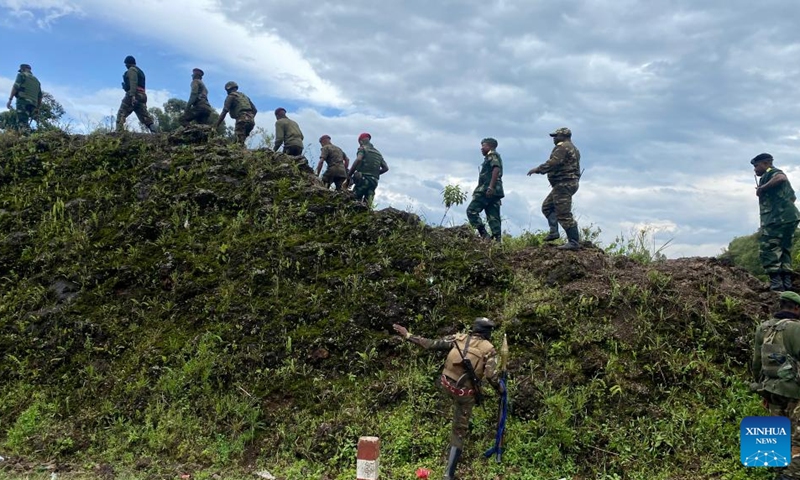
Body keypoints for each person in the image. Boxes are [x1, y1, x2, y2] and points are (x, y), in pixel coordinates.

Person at [392, 318, 501, 480]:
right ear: (487, 333)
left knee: (456, 403)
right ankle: (448, 474)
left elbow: (430, 344)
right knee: (459, 430)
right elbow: (491, 376)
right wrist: (501, 390)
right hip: (464, 395)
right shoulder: (489, 350)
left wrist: (408, 335)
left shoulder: (458, 338)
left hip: (445, 385)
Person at [752, 291, 800, 480]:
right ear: (796, 308)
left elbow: (757, 364)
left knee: (777, 437)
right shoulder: (796, 329)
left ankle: (778, 473)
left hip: (771, 390)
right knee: (797, 441)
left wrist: (762, 391)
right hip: (795, 393)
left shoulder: (763, 328)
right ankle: (789, 476)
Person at [527, 127, 582, 249]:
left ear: (564, 136)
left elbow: (553, 163)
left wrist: (538, 169)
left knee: (563, 213)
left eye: (556, 136)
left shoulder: (562, 147)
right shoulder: (573, 148)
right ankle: (554, 232)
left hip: (564, 184)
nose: (554, 138)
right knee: (547, 207)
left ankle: (574, 242)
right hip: (565, 184)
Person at [752, 153, 800, 292]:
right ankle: (787, 283)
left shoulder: (771, 172)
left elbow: (781, 177)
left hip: (776, 220)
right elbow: (792, 198)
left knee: (769, 248)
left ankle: (776, 284)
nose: (755, 170)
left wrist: (762, 188)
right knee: (784, 249)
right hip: (789, 218)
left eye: (756, 166)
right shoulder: (770, 176)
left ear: (766, 163)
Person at [467, 137, 504, 241]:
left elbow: (496, 169)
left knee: (471, 211)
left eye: (483, 145)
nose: (481, 148)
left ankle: (484, 235)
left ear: (490, 146)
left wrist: (490, 187)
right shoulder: (494, 156)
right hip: (495, 191)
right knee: (493, 216)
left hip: (486, 190)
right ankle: (497, 241)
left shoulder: (492, 155)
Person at [116, 56, 157, 133]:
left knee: (121, 114)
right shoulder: (140, 71)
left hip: (134, 95)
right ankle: (155, 132)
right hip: (142, 96)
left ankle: (118, 133)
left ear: (128, 63)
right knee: (145, 117)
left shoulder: (132, 70)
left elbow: (133, 82)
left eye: (126, 64)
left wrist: (132, 95)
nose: (126, 66)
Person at [347, 133, 388, 205]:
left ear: (361, 142)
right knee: (368, 205)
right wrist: (374, 173)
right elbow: (386, 168)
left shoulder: (363, 149)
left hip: (363, 179)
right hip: (374, 182)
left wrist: (349, 175)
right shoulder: (378, 153)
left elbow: (358, 159)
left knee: (354, 201)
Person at [214, 81, 257, 145]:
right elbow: (255, 110)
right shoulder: (244, 96)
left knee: (238, 142)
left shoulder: (231, 96)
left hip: (241, 120)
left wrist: (215, 126)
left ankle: (241, 152)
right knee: (240, 140)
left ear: (228, 89)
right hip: (251, 121)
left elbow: (224, 112)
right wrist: (249, 117)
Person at [6, 63, 42, 133]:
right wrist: (37, 108)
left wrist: (10, 99)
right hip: (33, 104)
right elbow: (40, 96)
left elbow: (16, 86)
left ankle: (24, 139)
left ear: (23, 69)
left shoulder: (21, 75)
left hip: (23, 102)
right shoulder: (37, 81)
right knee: (36, 121)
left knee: (22, 123)